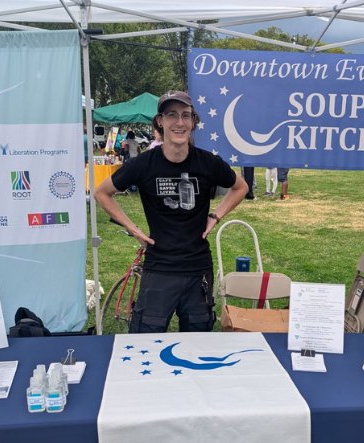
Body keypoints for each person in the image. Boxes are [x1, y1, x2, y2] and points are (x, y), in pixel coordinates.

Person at [94, 91, 248, 334]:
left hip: (198, 267)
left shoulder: (208, 162)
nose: (179, 122)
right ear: (160, 121)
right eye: (172, 115)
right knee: (146, 339)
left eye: (186, 116)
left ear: (194, 122)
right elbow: (102, 193)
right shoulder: (144, 163)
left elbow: (241, 187)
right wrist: (133, 229)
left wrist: (215, 216)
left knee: (197, 342)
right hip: (159, 267)